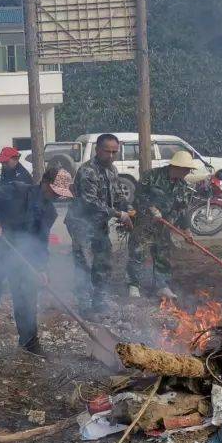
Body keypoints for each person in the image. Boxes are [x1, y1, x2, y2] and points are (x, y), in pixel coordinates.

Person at [0, 166, 73, 359]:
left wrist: (41, 268)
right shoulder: (17, 190)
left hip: (22, 256)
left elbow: (40, 243)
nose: (56, 196)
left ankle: (29, 341)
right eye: (55, 191)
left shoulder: (50, 212)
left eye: (60, 194)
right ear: (45, 183)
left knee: (26, 293)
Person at [65, 133, 132, 312]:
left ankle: (99, 301)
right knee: (84, 264)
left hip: (99, 224)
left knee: (104, 261)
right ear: (97, 150)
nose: (111, 156)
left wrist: (129, 210)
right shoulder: (87, 171)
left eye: (114, 152)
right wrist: (119, 214)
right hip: (81, 224)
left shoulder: (112, 170)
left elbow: (117, 195)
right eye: (107, 151)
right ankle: (84, 305)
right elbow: (90, 202)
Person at [127, 150, 198, 301]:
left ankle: (161, 286)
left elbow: (182, 209)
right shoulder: (152, 176)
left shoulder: (182, 186)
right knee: (138, 253)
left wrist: (187, 231)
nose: (187, 172)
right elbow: (139, 197)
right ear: (176, 166)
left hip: (164, 227)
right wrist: (151, 208)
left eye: (188, 170)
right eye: (186, 169)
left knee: (162, 255)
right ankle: (133, 285)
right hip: (145, 224)